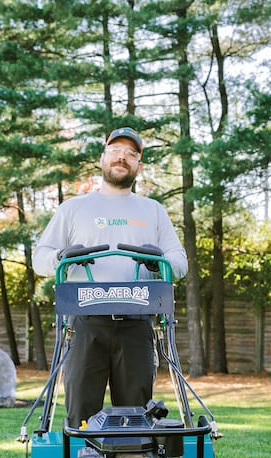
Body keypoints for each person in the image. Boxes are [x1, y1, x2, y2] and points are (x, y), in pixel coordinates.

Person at [34, 127, 188, 428]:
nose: (123, 157)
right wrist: (63, 256)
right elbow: (40, 258)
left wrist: (158, 262)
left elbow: (179, 263)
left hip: (136, 323)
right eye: (116, 150)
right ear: (102, 158)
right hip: (85, 324)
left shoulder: (153, 211)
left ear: (138, 166)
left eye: (131, 154)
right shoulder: (74, 209)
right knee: (81, 414)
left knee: (137, 417)